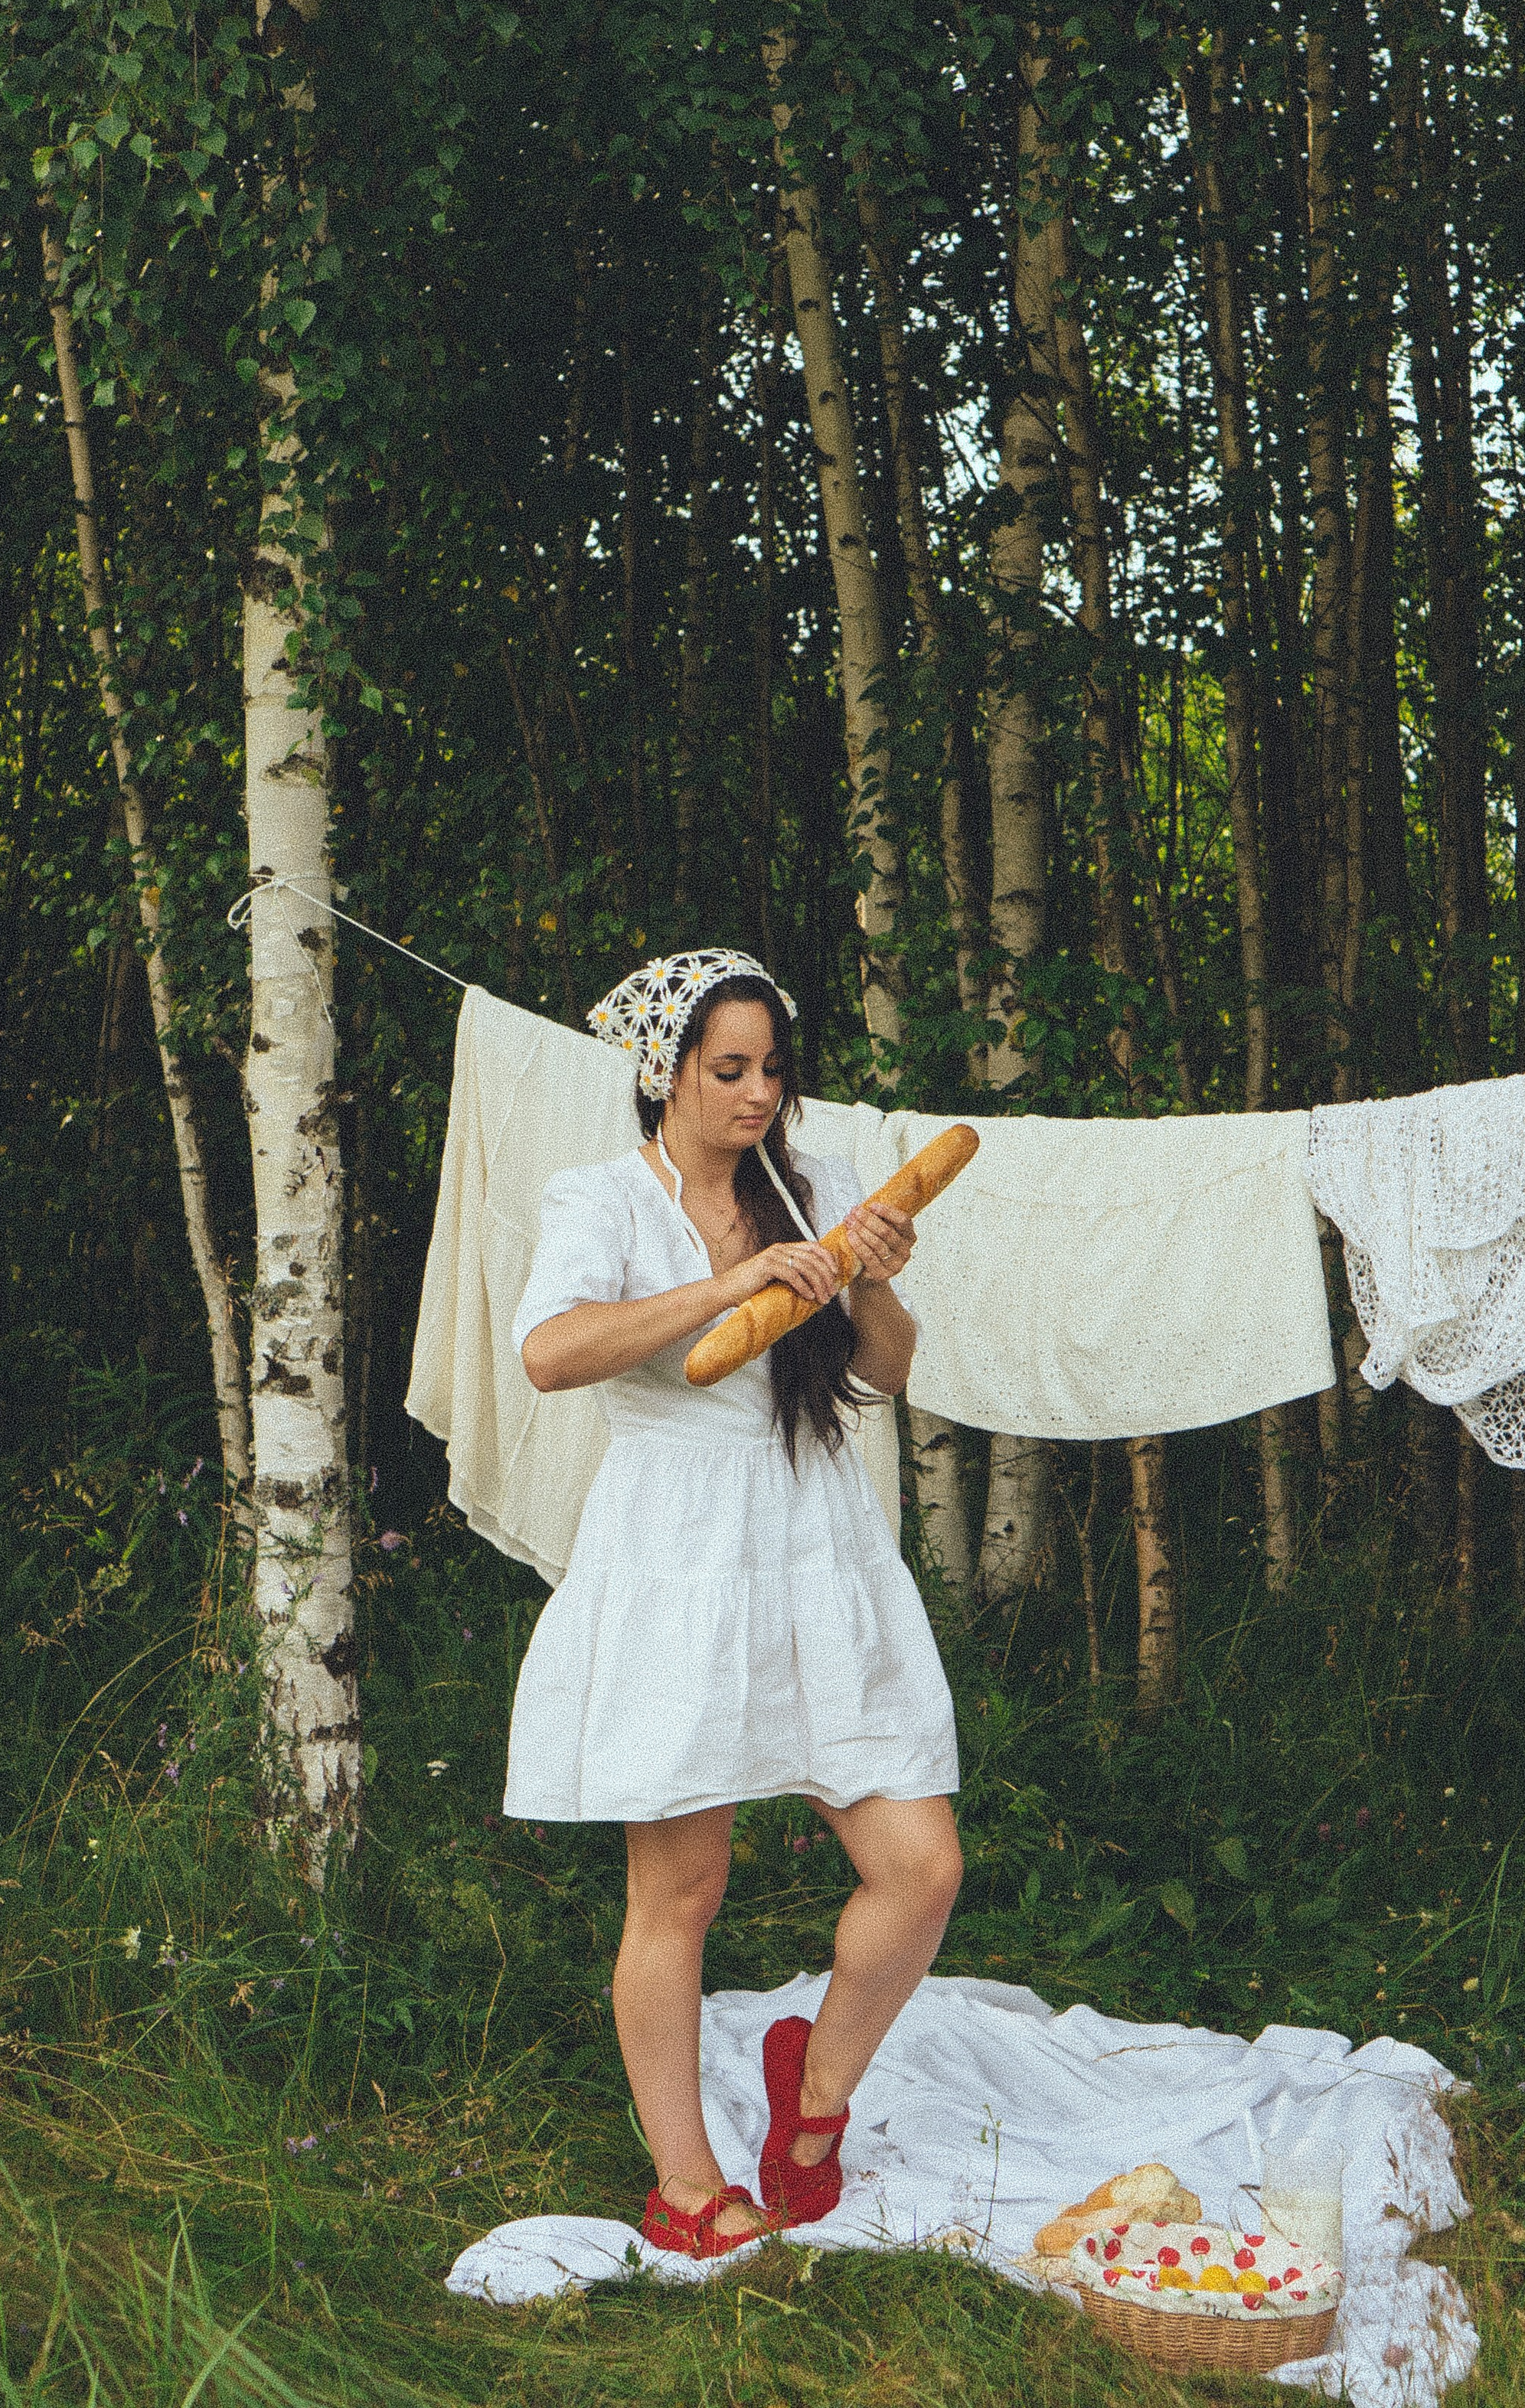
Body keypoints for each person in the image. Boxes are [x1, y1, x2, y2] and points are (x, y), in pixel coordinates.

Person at [505, 947, 962, 2259]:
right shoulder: (600, 1198)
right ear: (668, 1072)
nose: (760, 1094)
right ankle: (687, 2184)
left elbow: (884, 1372)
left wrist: (868, 1274)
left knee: (921, 1866)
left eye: (772, 1069)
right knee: (682, 1892)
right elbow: (549, 1353)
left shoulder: (808, 1188)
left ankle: (812, 2102)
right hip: (677, 1556)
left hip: (816, 1542)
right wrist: (729, 1287)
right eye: (731, 1070)